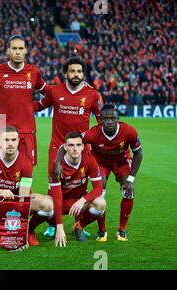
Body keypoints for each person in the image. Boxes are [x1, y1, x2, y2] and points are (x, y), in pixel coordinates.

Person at [33, 57, 103, 239]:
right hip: (57, 148)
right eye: (72, 71)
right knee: (56, 185)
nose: (76, 74)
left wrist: (90, 139)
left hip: (81, 149)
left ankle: (79, 224)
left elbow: (101, 121)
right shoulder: (55, 92)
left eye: (79, 71)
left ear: (83, 74)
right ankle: (52, 224)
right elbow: (38, 106)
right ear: (65, 73)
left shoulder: (92, 95)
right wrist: (15, 106)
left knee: (80, 186)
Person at [60, 104, 142, 241]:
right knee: (101, 190)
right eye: (106, 118)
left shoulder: (129, 131)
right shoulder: (92, 133)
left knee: (129, 191)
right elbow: (69, 144)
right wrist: (57, 162)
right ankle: (101, 231)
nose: (109, 121)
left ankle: (122, 230)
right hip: (100, 162)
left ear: (118, 118)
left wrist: (131, 180)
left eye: (113, 118)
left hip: (121, 161)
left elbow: (138, 153)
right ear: (100, 119)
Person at [0, 125, 54, 247]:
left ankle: (29, 231)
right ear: (0, 142)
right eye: (6, 140)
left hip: (19, 200)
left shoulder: (26, 161)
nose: (10, 144)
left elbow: (24, 193)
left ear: (18, 141)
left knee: (48, 204)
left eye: (13, 140)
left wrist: (19, 231)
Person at [0, 35, 50, 167]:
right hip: (3, 129)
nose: (17, 52)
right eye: (14, 48)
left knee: (27, 170)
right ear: (8, 50)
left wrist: (35, 106)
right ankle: (1, 189)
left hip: (27, 130)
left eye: (20, 48)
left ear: (25, 50)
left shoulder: (33, 71)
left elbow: (50, 93)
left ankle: (25, 189)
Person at [39, 131, 106, 246]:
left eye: (78, 145)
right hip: (57, 203)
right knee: (45, 206)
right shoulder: (56, 166)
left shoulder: (90, 160)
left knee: (101, 203)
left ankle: (79, 227)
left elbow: (99, 188)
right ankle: (42, 228)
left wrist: (83, 200)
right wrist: (60, 226)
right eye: (71, 145)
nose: (75, 149)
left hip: (77, 202)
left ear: (83, 147)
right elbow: (57, 197)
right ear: (65, 147)